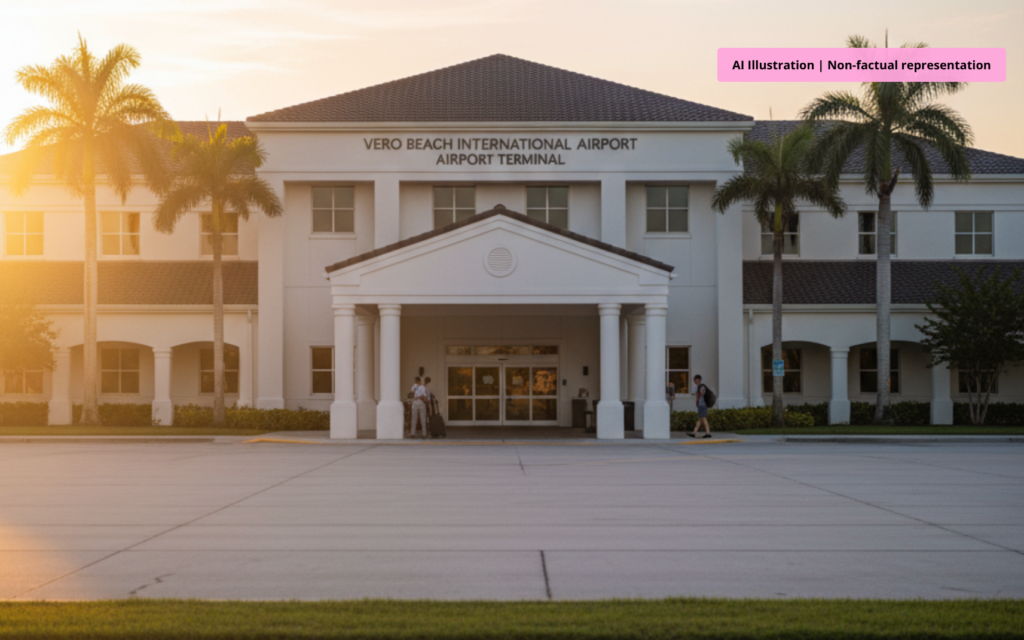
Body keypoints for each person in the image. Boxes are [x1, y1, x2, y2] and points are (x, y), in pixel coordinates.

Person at [688, 374, 712, 439]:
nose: (697, 381)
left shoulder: (701, 386)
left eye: (698, 379)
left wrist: (698, 395)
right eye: (696, 380)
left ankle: (708, 433)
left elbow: (702, 393)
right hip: (701, 405)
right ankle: (694, 432)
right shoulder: (699, 387)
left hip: (702, 405)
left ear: (700, 380)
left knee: (703, 419)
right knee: (700, 420)